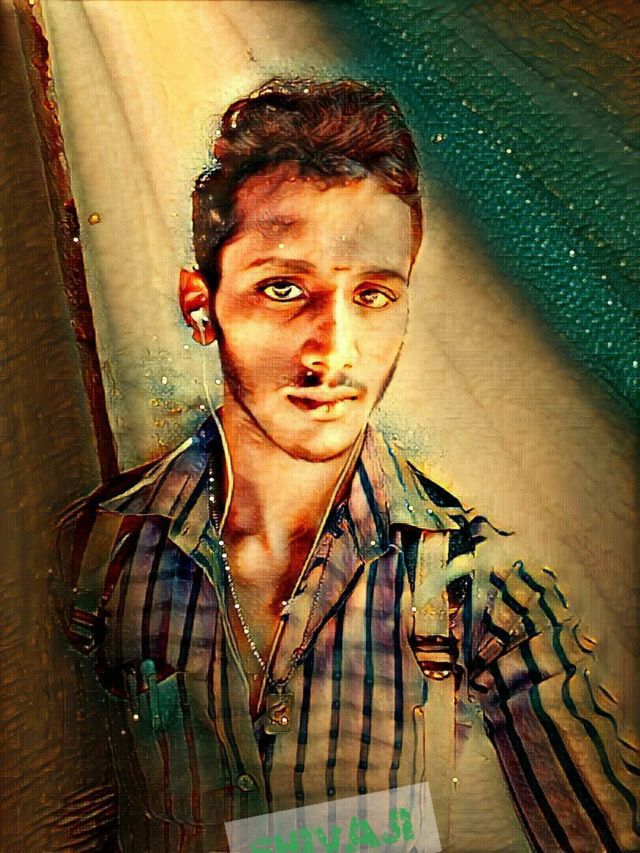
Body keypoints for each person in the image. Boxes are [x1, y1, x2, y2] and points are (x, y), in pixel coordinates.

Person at [56, 78, 638, 852]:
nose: (333, 352)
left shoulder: (478, 584)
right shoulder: (97, 556)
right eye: (283, 288)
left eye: (371, 295)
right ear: (201, 306)